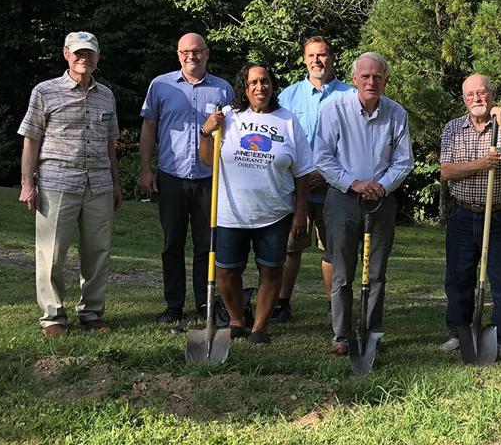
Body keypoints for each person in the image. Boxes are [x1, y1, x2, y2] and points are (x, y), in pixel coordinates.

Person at [198, 64, 314, 346]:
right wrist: (205, 132)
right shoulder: (227, 116)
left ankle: (260, 327)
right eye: (253, 83)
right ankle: (237, 320)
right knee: (226, 270)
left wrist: (300, 213)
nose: (260, 87)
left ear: (272, 86)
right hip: (230, 212)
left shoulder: (287, 120)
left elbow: (302, 174)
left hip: (274, 212)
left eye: (265, 81)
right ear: (244, 88)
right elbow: (207, 160)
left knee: (271, 269)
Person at [17, 31, 122, 337]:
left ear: (97, 58)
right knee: (52, 253)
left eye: (89, 53)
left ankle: (91, 312)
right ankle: (52, 317)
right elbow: (31, 140)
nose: (83, 58)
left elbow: (110, 143)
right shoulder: (45, 92)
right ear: (66, 54)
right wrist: (27, 183)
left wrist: (116, 183)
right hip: (56, 182)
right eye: (77, 53)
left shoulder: (107, 95)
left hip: (99, 183)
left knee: (98, 252)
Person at [313, 52, 414, 355]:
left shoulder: (397, 114)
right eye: (366, 76)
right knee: (342, 270)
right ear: (355, 79)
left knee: (376, 271)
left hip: (382, 201)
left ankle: (371, 332)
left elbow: (404, 161)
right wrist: (354, 183)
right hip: (344, 198)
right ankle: (341, 336)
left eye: (378, 77)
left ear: (386, 80)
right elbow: (322, 156)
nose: (372, 81)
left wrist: (381, 187)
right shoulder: (334, 109)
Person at [138, 33, 235, 325]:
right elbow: (149, 128)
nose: (191, 56)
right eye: (185, 52)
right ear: (178, 54)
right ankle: (173, 305)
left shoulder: (223, 90)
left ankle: (204, 303)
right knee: (172, 244)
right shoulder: (160, 85)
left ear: (207, 53)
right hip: (172, 176)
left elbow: (232, 135)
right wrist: (145, 169)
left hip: (209, 178)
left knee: (207, 245)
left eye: (196, 51)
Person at [439, 74, 501, 359]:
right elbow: (446, 171)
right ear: (464, 99)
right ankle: (458, 332)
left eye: (482, 93)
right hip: (464, 215)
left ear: (492, 95)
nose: (477, 99)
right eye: (471, 95)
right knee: (458, 278)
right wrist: (482, 164)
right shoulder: (454, 128)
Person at [273, 36, 355, 324]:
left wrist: (327, 173)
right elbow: (279, 139)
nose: (316, 60)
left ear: (331, 57)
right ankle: (282, 304)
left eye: (322, 55)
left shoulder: (350, 95)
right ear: (304, 59)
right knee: (289, 248)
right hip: (295, 187)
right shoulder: (288, 97)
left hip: (333, 187)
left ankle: (335, 307)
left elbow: (355, 142)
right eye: (311, 56)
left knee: (332, 250)